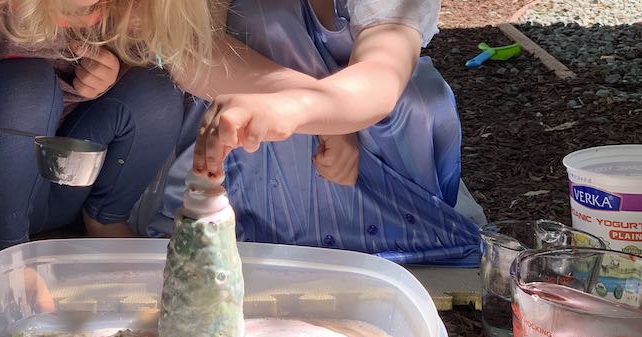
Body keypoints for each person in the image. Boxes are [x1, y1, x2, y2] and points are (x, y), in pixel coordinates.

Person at [133, 0, 487, 267]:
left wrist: (315, 111)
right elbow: (190, 51)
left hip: (365, 127)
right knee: (264, 21)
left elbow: (383, 72)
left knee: (417, 103)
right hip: (251, 113)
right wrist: (317, 112)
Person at [0, 0, 213, 266]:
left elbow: (137, 96)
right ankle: (1, 250)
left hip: (75, 187)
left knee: (157, 88)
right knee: (24, 84)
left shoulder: (128, 8)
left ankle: (105, 221)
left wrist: (113, 74)